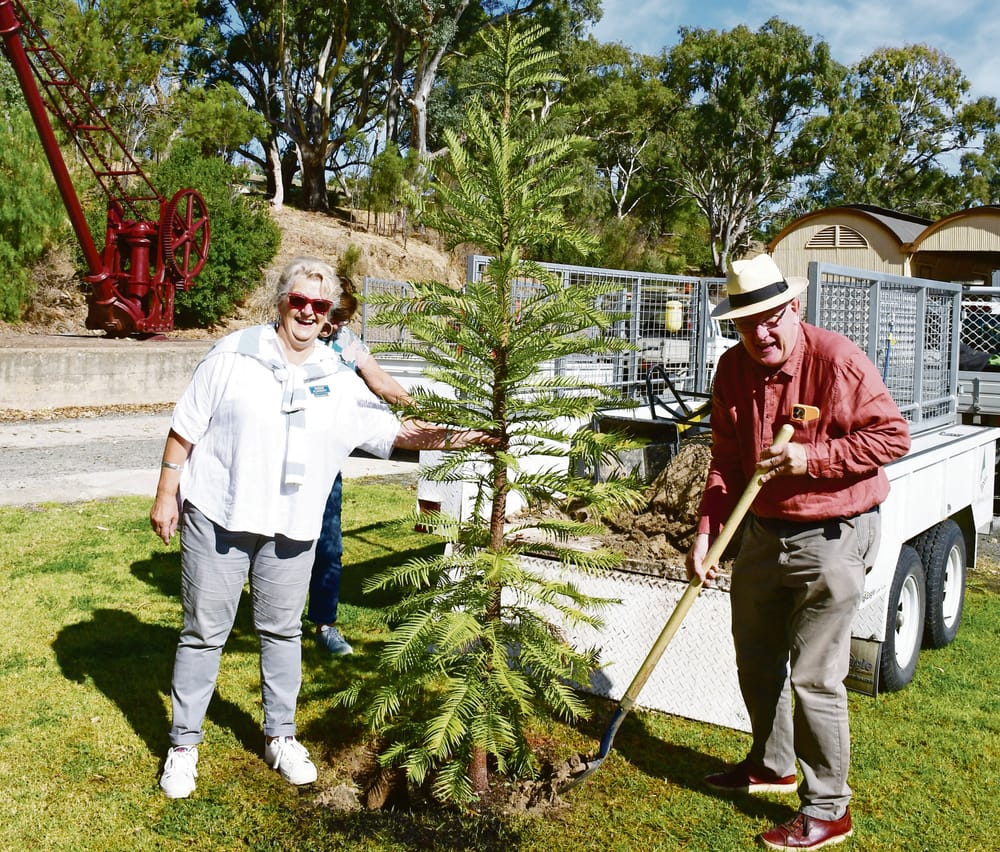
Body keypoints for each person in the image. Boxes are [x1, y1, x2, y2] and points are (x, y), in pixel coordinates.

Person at [149, 256, 489, 799]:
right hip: (219, 514)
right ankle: (184, 744)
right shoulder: (233, 356)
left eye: (320, 304)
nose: (307, 311)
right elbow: (184, 428)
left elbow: (400, 432)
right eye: (298, 300)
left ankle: (279, 735)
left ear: (330, 313)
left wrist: (474, 436)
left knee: (282, 632)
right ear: (280, 302)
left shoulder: (337, 374)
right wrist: (167, 494)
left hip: (291, 527)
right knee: (204, 632)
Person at [685, 253, 911, 850]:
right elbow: (726, 465)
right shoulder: (732, 370)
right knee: (756, 659)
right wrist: (708, 533)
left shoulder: (838, 361)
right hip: (760, 532)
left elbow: (892, 436)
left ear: (794, 308)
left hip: (832, 537)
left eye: (770, 317)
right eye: (744, 322)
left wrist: (811, 460)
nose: (760, 332)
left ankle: (829, 808)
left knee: (815, 677)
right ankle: (771, 764)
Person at [309, 284, 414, 656]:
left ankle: (325, 624)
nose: (334, 327)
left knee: (329, 545)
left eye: (342, 321)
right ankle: (273, 623)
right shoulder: (291, 333)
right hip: (282, 454)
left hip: (325, 461)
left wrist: (419, 407)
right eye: (333, 317)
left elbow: (379, 380)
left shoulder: (345, 341)